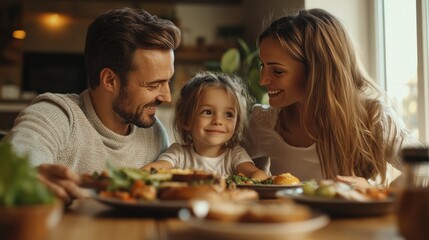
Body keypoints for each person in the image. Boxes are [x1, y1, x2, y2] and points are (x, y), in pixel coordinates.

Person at [2, 7, 181, 202]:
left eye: (167, 82)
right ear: (110, 80)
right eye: (153, 84)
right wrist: (26, 175)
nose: (167, 97)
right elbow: (13, 161)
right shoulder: (56, 115)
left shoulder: (154, 133)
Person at [244, 8, 420, 187]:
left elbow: (423, 170)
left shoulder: (373, 118)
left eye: (277, 71)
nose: (262, 79)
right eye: (262, 65)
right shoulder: (264, 122)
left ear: (317, 72)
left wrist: (373, 191)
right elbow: (227, 163)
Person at [142, 71, 268, 180]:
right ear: (186, 121)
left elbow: (258, 174)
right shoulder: (178, 153)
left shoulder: (235, 155)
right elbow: (152, 171)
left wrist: (251, 183)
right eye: (207, 112)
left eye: (228, 114)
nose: (218, 121)